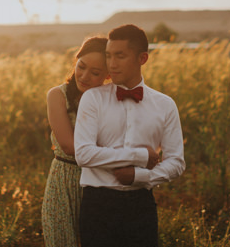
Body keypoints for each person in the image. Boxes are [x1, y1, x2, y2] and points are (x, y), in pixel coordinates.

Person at [74, 24, 185, 247]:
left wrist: (140, 177)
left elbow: (176, 162)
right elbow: (83, 154)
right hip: (97, 205)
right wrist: (140, 157)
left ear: (142, 58)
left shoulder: (165, 105)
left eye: (120, 56)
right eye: (108, 56)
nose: (111, 64)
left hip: (141, 205)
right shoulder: (93, 99)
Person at [42, 35, 110, 247]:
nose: (85, 76)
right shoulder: (57, 95)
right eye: (81, 66)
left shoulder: (109, 99)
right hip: (64, 180)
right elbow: (68, 146)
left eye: (95, 72)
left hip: (100, 182)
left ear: (107, 75)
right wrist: (121, 155)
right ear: (76, 61)